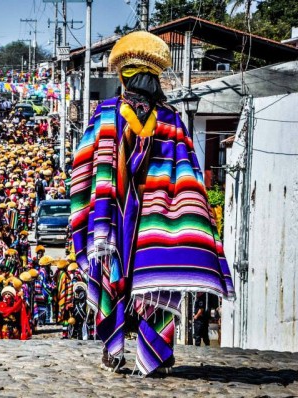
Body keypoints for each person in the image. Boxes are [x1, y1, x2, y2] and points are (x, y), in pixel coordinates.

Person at [70, 31, 235, 375]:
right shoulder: (171, 119)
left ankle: (113, 351)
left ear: (122, 76)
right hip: (157, 215)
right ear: (155, 78)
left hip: (113, 218)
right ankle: (155, 356)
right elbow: (186, 171)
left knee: (113, 276)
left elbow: (83, 170)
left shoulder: (105, 114)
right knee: (155, 281)